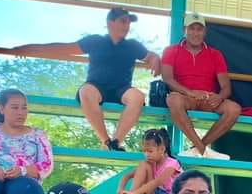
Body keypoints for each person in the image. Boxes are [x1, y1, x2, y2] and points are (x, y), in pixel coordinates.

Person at [12, 8, 161, 151]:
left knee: (137, 96)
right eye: (123, 21)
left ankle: (116, 142)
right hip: (96, 87)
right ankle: (106, 141)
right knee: (86, 91)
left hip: (122, 89)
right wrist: (29, 48)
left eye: (128, 22)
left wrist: (155, 58)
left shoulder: (133, 45)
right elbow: (63, 48)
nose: (126, 26)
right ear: (110, 23)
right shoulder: (95, 41)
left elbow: (150, 56)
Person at [159, 14, 239, 159]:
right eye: (192, 28)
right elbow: (167, 78)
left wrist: (219, 97)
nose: (195, 33)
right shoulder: (171, 50)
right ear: (184, 30)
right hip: (185, 97)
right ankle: (203, 149)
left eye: (199, 29)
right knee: (173, 99)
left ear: (205, 32)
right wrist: (190, 93)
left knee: (234, 109)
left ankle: (197, 148)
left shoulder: (215, 54)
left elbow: (226, 87)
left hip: (208, 99)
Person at [106, 128, 182, 194]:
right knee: (143, 164)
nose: (146, 154)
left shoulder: (172, 164)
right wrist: (120, 189)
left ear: (162, 149)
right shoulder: (150, 163)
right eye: (144, 151)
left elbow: (157, 182)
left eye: (150, 151)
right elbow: (126, 176)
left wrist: (133, 193)